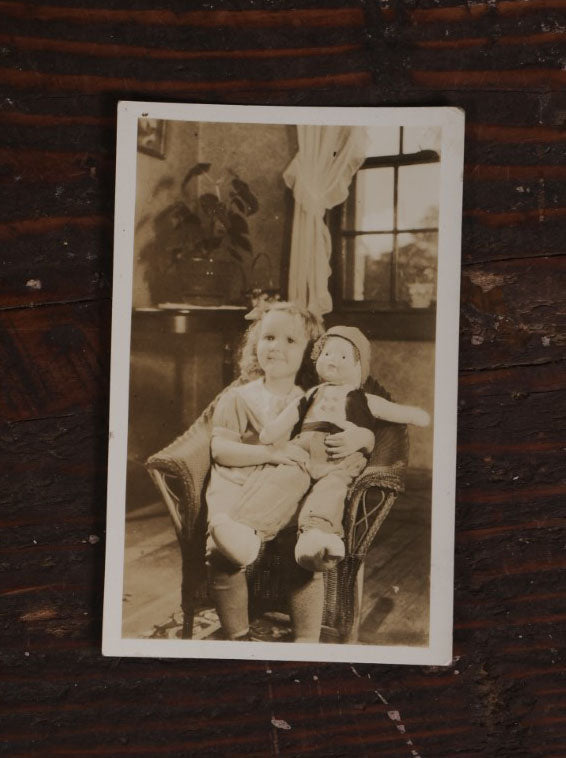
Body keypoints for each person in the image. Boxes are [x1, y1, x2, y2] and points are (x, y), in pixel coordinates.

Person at [206, 302, 375, 642]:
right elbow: (220, 450)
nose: (276, 347)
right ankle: (239, 639)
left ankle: (306, 639)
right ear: (256, 344)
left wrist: (362, 436)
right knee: (221, 551)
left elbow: (360, 429)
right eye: (268, 337)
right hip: (238, 482)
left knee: (301, 548)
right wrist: (271, 452)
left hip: (288, 488)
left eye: (290, 341)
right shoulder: (239, 398)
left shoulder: (314, 399)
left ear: (313, 354)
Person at [260, 325, 430, 573]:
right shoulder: (311, 395)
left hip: (339, 461)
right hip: (303, 454)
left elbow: (400, 413)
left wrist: (415, 415)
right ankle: (251, 529)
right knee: (283, 480)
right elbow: (282, 421)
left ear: (358, 367)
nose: (333, 361)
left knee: (332, 489)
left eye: (343, 356)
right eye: (328, 354)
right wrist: (271, 432)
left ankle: (314, 537)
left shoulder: (362, 398)